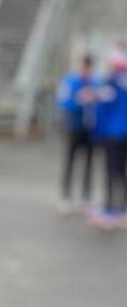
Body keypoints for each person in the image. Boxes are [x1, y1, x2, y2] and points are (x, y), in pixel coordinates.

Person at [87, 46, 127, 228]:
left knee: (111, 172)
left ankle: (110, 210)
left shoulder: (111, 81)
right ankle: (122, 209)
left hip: (113, 134)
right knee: (121, 172)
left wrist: (97, 133)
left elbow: (102, 109)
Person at [55, 54, 96, 212]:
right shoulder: (69, 82)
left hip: (90, 129)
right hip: (73, 127)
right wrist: (79, 100)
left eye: (89, 67)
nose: (86, 70)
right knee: (70, 162)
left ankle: (86, 196)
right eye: (84, 66)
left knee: (89, 163)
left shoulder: (95, 82)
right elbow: (63, 102)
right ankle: (66, 196)